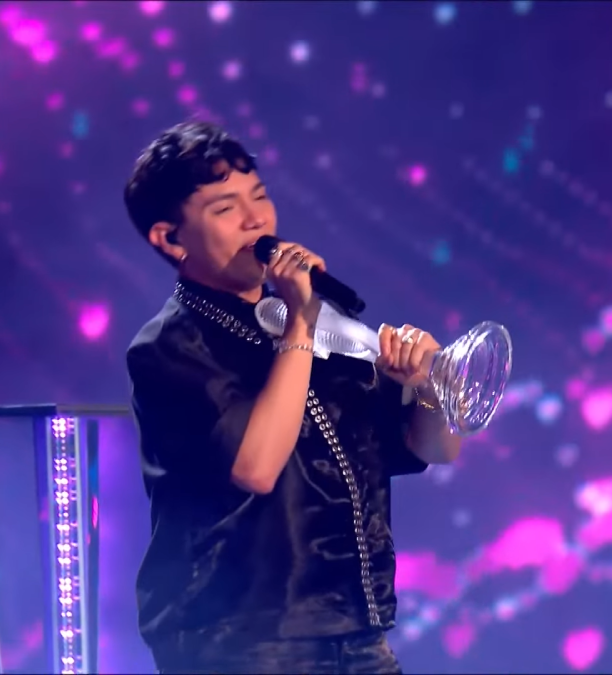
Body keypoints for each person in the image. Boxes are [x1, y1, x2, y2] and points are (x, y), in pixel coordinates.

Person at [122, 120, 462, 674]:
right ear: (170, 238)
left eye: (259, 196)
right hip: (239, 638)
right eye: (226, 208)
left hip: (358, 628)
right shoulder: (168, 346)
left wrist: (428, 386)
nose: (256, 219)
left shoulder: (318, 323)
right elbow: (256, 467)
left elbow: (432, 449)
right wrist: (300, 326)